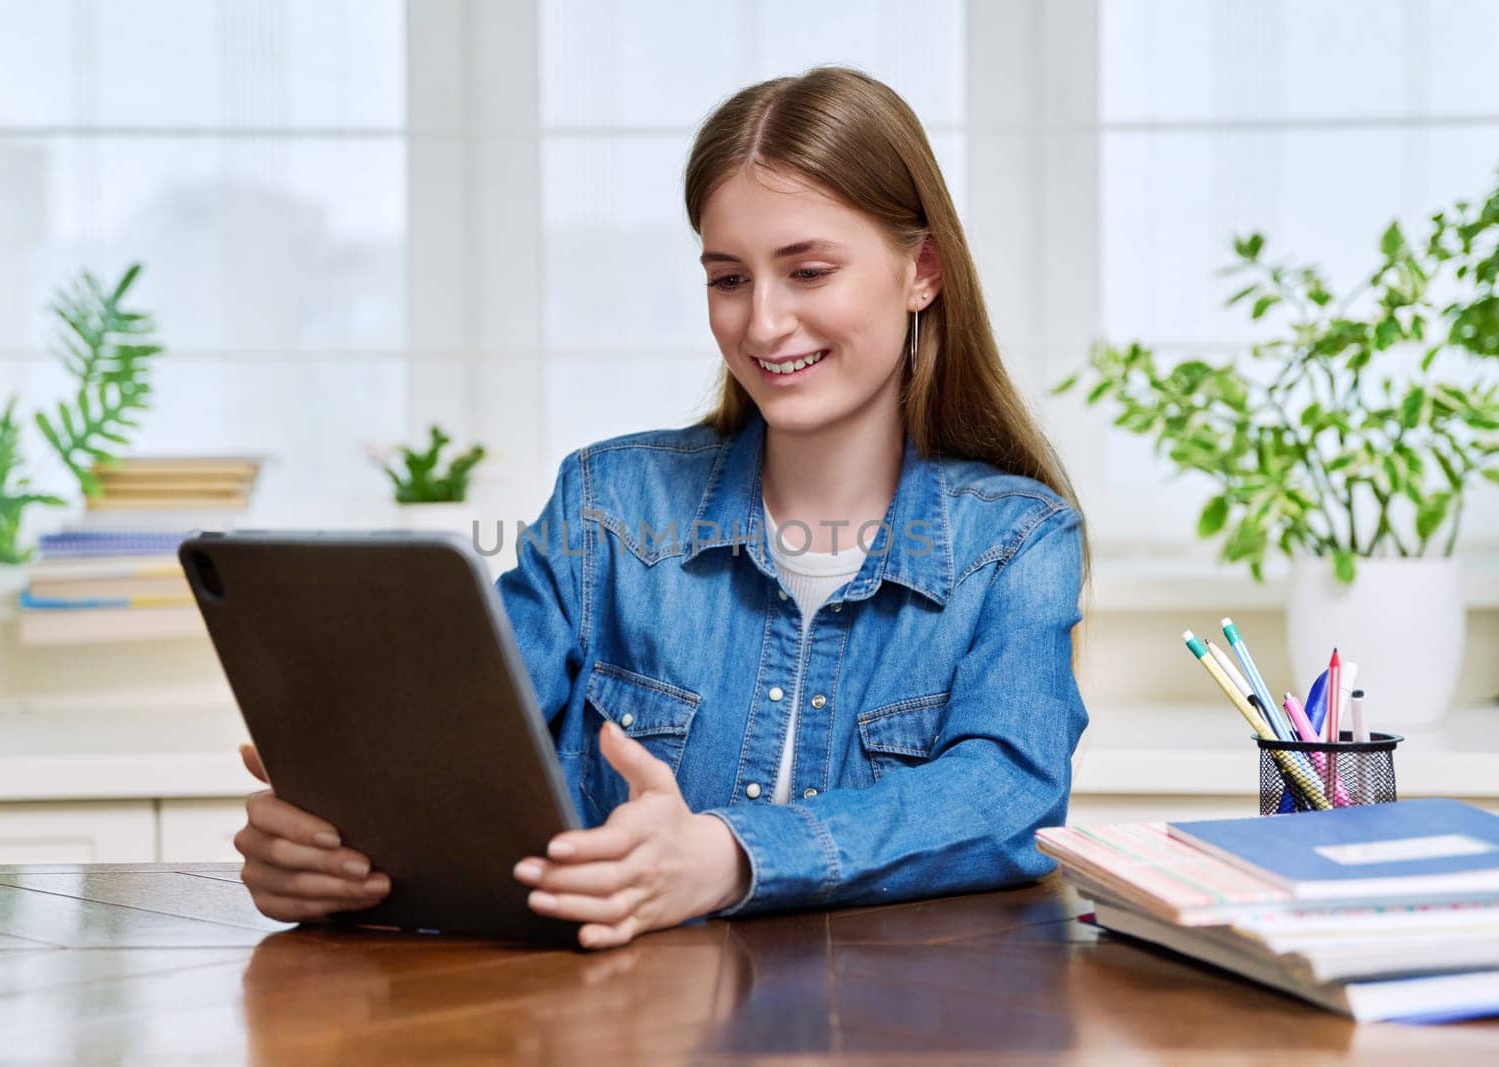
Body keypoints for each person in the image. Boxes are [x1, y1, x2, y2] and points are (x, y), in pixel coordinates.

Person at [232, 67, 1089, 951]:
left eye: (808, 271)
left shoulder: (1016, 539)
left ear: (921, 271)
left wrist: (728, 854)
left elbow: (1005, 794)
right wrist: (336, 846)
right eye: (729, 278)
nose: (763, 324)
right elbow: (454, 756)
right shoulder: (606, 509)